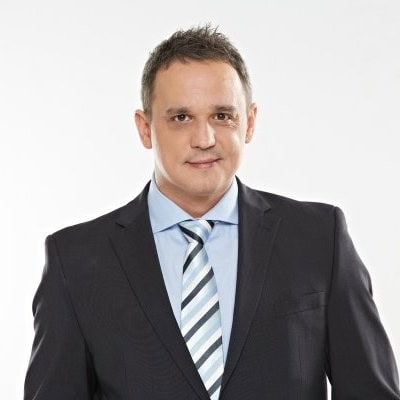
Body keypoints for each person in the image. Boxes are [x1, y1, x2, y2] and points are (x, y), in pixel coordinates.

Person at [24, 24, 400, 400]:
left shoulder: (319, 238)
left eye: (222, 116)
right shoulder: (74, 260)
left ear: (249, 122)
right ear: (145, 128)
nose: (204, 139)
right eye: (181, 118)